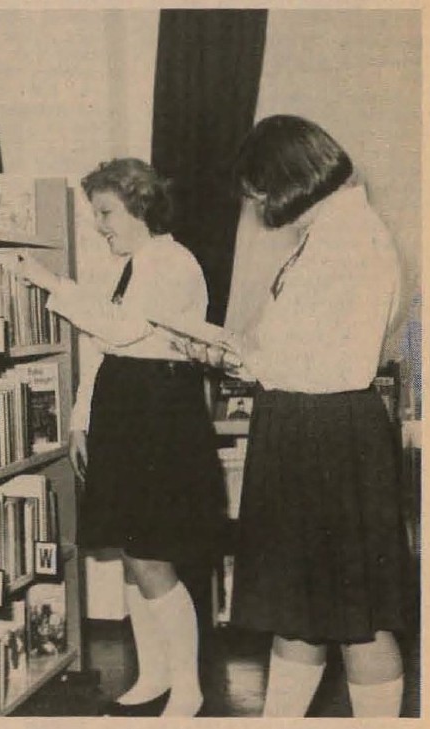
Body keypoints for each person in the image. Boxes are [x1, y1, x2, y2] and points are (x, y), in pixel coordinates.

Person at [181, 115, 409, 717]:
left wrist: (243, 357)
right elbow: (299, 343)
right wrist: (238, 351)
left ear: (290, 177)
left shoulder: (351, 238)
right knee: (297, 613)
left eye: (261, 191)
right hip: (306, 428)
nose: (259, 205)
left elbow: (336, 364)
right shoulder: (328, 233)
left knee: (359, 619)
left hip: (326, 432)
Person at [15, 158, 225, 717]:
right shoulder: (130, 266)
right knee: (133, 553)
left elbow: (123, 329)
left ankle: (188, 689)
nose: (99, 224)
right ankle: (154, 677)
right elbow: (106, 352)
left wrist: (53, 284)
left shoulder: (174, 262)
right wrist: (81, 419)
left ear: (140, 207)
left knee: (151, 556)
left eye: (106, 212)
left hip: (159, 414)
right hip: (125, 407)